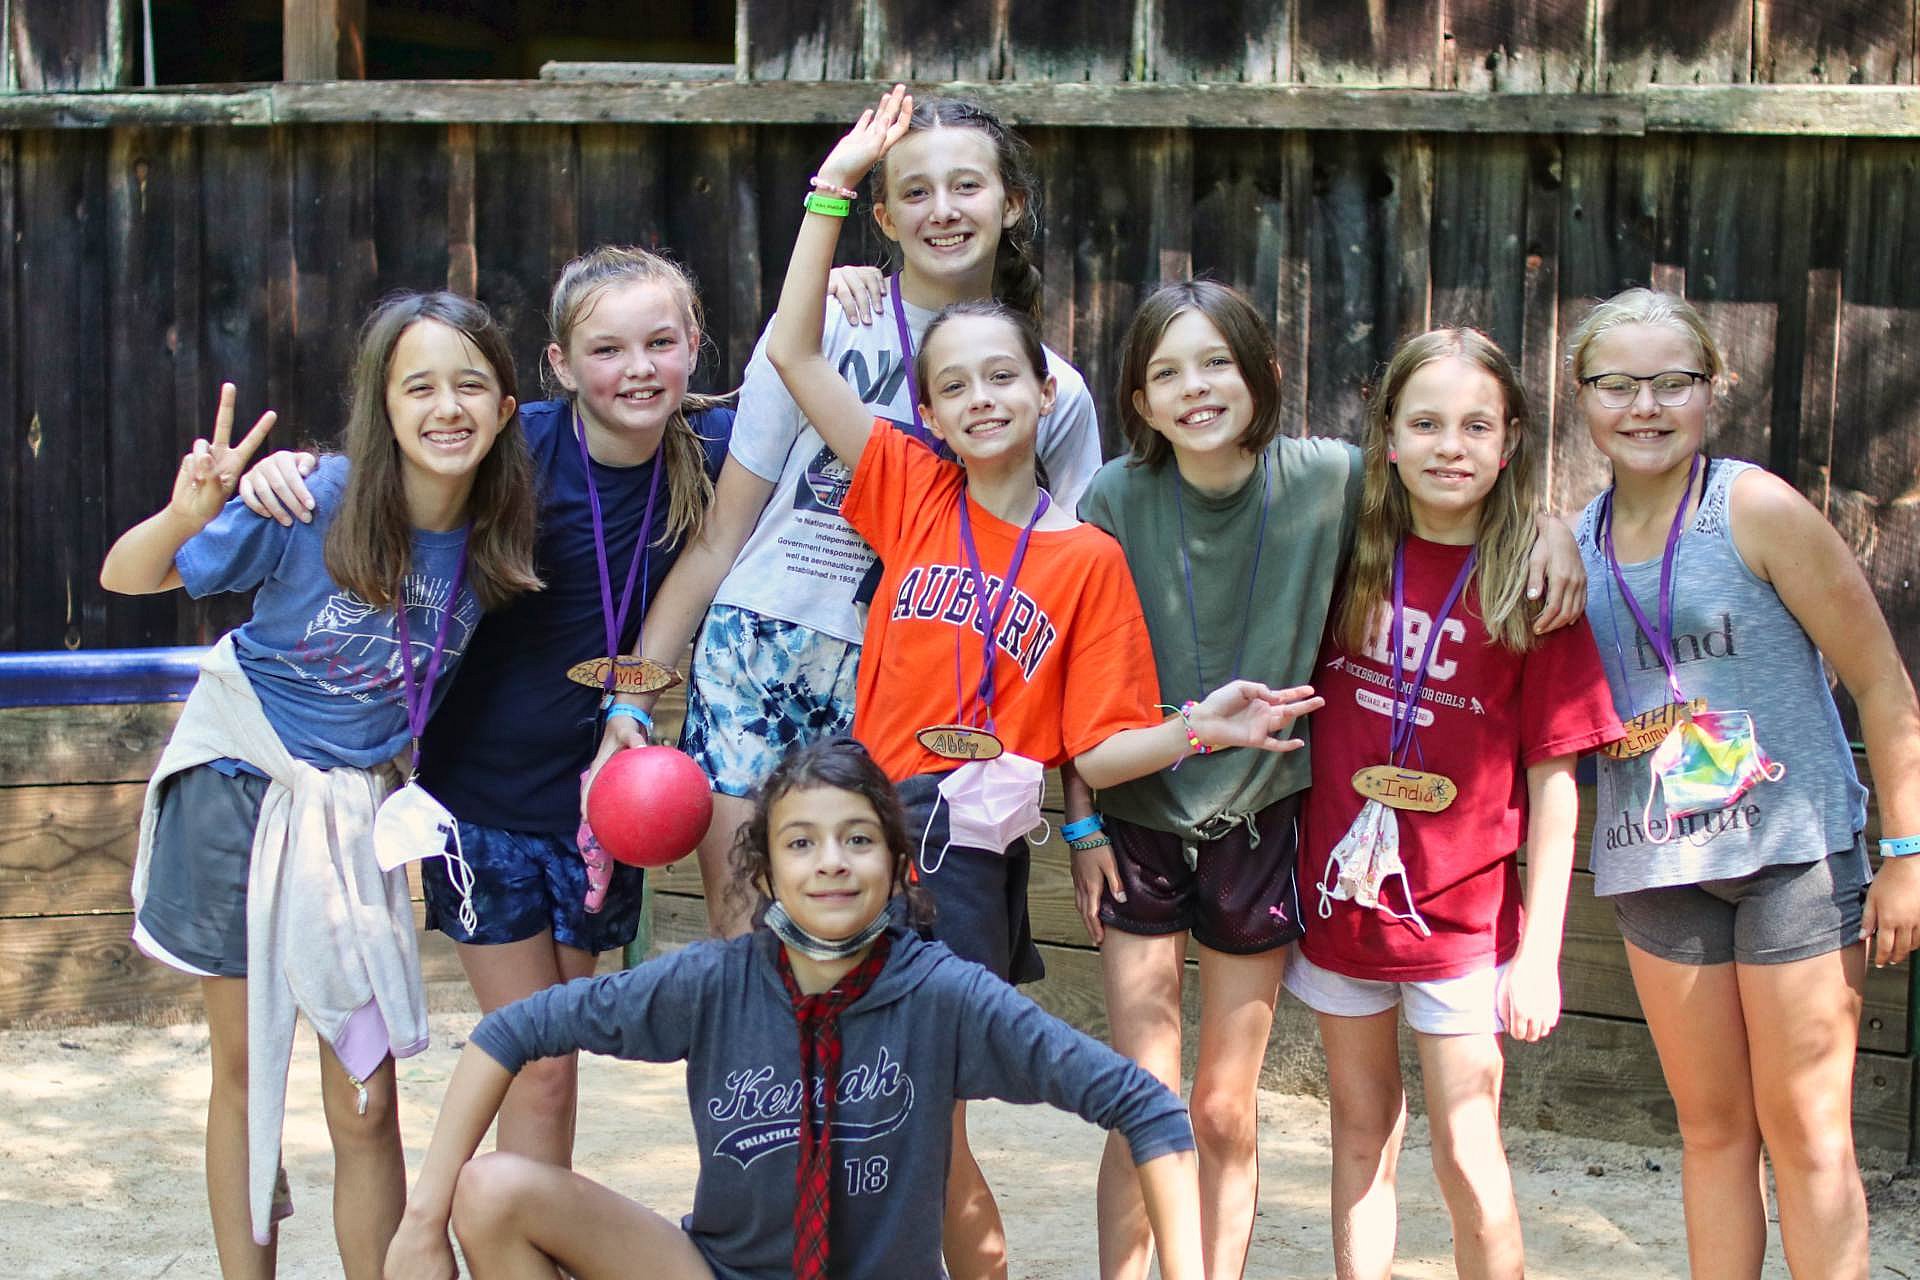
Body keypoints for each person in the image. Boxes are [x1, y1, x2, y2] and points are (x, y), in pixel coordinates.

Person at [763, 87, 1322, 1280]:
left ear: (1045, 393)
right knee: (858, 1099)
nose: (981, 400)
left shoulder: (1087, 558)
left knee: (922, 1103)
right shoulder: (910, 490)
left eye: (1001, 380)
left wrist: (1200, 725)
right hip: (859, 828)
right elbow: (794, 353)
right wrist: (834, 190)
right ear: (926, 411)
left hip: (967, 853)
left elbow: (1098, 745)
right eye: (954, 386)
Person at [1069, 282, 1594, 1279]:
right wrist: (1081, 824)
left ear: (1264, 373)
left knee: (1230, 1104)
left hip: (1274, 822)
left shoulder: (1328, 480)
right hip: (1147, 812)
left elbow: (1457, 475)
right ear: (1138, 399)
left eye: (1217, 362)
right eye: (1167, 371)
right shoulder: (1116, 499)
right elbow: (1078, 684)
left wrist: (1549, 524)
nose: (1195, 387)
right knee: (1145, 1094)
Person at [238, 246, 733, 1168]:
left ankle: (518, 1229)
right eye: (606, 350)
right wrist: (294, 471)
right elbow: (402, 461)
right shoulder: (514, 454)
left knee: (559, 1058)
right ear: (558, 366)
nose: (637, 369)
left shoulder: (715, 452)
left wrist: (846, 285)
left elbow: (819, 403)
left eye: (660, 343)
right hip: (479, 803)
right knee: (533, 1056)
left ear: (694, 345)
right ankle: (433, 1220)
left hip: (597, 805)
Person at [381, 739, 1207, 1280]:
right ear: (768, 874)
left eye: (859, 839)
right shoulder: (712, 982)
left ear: (901, 867)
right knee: (491, 1189)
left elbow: (1147, 1107)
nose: (831, 862)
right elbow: (509, 1030)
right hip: (719, 1270)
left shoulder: (947, 995)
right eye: (801, 842)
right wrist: (421, 1224)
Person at [589, 92, 1103, 939]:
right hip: (763, 653)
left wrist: (1082, 817)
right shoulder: (826, 318)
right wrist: (632, 699)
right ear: (885, 217)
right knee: (752, 944)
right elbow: (721, 537)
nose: (943, 210)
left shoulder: (1052, 391)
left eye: (967, 186)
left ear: (1011, 203)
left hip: (917, 688)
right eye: (916, 191)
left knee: (885, 959)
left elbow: (1070, 605)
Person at [101, 291, 540, 1278]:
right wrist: (189, 511)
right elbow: (128, 576)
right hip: (239, 786)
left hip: (354, 815)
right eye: (417, 387)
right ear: (382, 406)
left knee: (367, 1096)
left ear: (506, 406)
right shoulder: (316, 498)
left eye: (470, 384)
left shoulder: (497, 533)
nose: (446, 407)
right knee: (247, 1068)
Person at [1568, 288, 1920, 1280]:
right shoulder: (1573, 541)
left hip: (1792, 858)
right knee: (1712, 1130)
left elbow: (1883, 684)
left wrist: (1907, 852)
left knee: (1808, 1129)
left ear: (1712, 388)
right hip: (1657, 867)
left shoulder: (1753, 508)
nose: (1645, 405)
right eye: (1617, 384)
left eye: (1672, 381)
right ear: (1582, 397)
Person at [1287, 328, 1623, 1280]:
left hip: (1465, 924)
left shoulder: (1534, 585)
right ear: (1388, 436)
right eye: (1426, 423)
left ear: (1510, 441)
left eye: (1477, 426)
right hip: (1341, 905)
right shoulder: (1339, 555)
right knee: (1359, 1131)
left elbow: (1555, 785)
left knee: (1469, 1153)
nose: (1450, 446)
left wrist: (1541, 953)